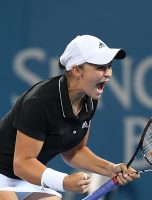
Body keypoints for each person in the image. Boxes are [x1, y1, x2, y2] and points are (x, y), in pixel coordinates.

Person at [0, 35, 140, 200]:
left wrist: (110, 169)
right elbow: (22, 163)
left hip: (28, 177)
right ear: (76, 70)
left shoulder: (90, 100)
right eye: (101, 67)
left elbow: (74, 150)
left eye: (109, 66)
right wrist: (64, 181)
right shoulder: (39, 103)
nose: (108, 73)